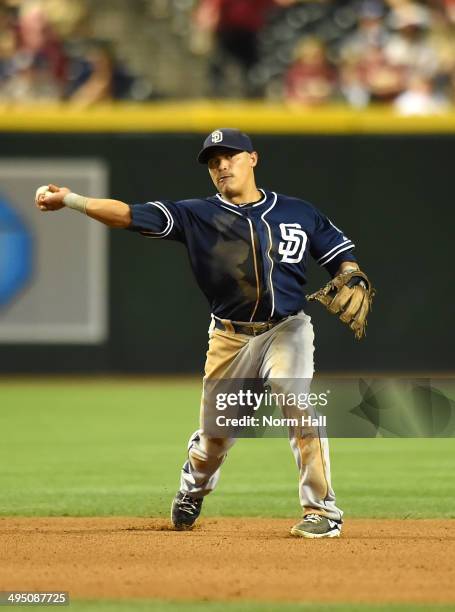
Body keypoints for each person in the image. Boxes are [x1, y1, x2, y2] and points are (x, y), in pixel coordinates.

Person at [34, 128, 373, 539]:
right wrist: (71, 199)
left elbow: (339, 255)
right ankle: (193, 487)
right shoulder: (195, 214)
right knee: (215, 438)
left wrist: (351, 272)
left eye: (229, 156)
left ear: (253, 158)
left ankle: (323, 511)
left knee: (295, 399)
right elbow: (125, 213)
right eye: (213, 162)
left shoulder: (298, 212)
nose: (221, 166)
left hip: (288, 328)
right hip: (229, 339)